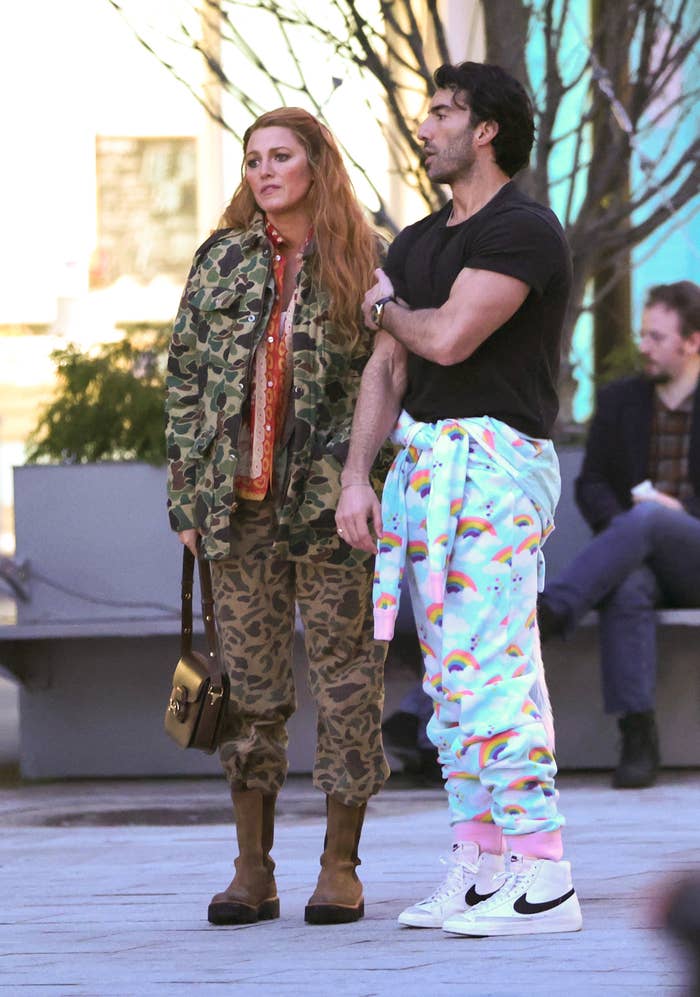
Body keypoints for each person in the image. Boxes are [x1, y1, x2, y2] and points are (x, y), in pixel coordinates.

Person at [336, 61, 582, 937]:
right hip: (428, 471)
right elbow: (389, 367)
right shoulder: (414, 242)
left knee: (492, 671)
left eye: (442, 111)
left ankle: (544, 874)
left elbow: (442, 337)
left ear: (486, 131)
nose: (424, 125)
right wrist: (356, 476)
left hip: (495, 466)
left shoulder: (525, 230)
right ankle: (479, 866)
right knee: (449, 681)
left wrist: (385, 310)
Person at [165, 107, 392, 927]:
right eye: (254, 158)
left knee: (347, 679)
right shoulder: (221, 258)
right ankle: (252, 869)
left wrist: (367, 480)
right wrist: (187, 496)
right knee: (250, 687)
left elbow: (390, 378)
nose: (264, 171)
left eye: (281, 156)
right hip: (239, 506)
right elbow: (185, 377)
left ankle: (340, 867)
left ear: (316, 165)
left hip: (333, 506)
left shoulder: (367, 259)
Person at [538, 281, 700, 789]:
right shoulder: (620, 401)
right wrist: (627, 535)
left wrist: (676, 512)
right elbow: (591, 485)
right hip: (640, 555)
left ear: (692, 342)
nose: (643, 346)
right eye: (642, 335)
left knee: (651, 518)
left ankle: (555, 608)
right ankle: (637, 735)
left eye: (656, 337)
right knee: (626, 585)